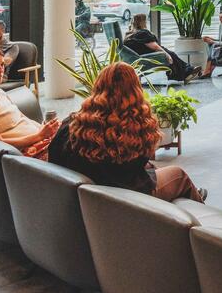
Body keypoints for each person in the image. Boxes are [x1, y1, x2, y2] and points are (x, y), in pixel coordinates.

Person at [49, 62, 206, 202]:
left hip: (85, 198)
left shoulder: (73, 123)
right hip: (126, 201)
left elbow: (54, 155)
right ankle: (202, 227)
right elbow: (137, 164)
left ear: (98, 86)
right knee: (179, 175)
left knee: (153, 167)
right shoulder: (134, 129)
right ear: (135, 90)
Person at [123, 14, 200, 82]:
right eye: (145, 21)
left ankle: (187, 70)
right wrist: (166, 54)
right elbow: (155, 46)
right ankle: (187, 72)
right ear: (142, 23)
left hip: (138, 58)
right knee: (171, 55)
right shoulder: (142, 33)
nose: (146, 23)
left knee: (171, 54)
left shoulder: (130, 34)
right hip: (148, 57)